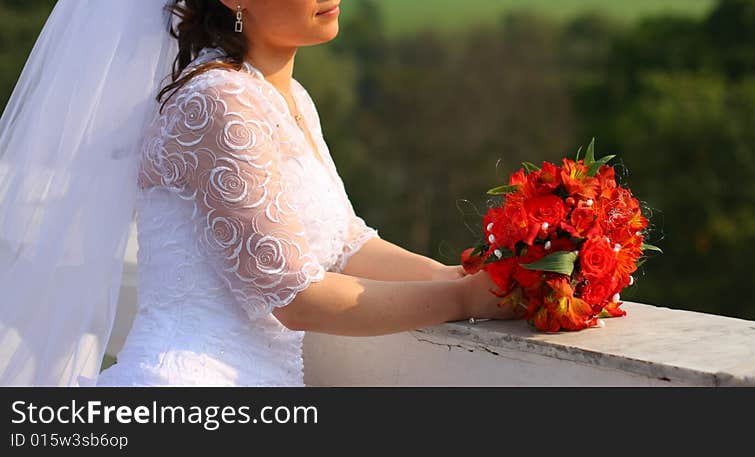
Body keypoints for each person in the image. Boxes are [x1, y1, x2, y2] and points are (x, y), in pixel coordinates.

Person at [0, 0, 523, 387]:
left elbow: (346, 244)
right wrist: (462, 299)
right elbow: (295, 299)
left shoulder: (289, 96)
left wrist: (470, 274)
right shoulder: (215, 101)